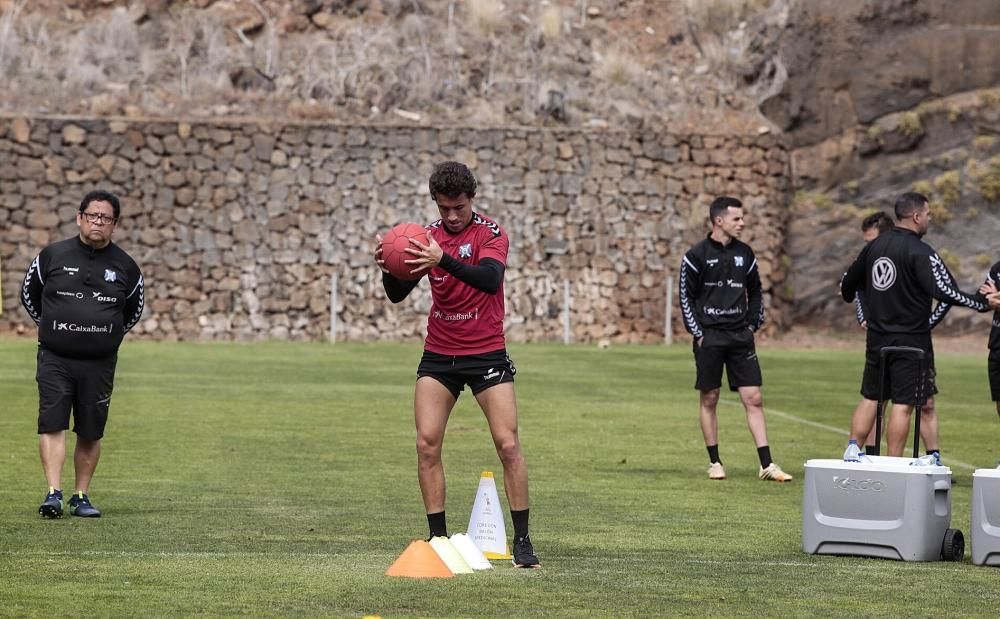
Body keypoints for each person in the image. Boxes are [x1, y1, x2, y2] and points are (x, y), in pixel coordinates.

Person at [373, 161, 539, 568]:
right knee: (426, 443)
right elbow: (398, 294)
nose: (451, 216)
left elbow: (489, 279)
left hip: (485, 352)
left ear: (472, 200)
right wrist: (388, 269)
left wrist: (441, 260)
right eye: (444, 208)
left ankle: (522, 542)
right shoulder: (424, 238)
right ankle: (438, 541)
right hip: (440, 353)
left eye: (459, 208)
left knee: (509, 444)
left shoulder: (490, 233)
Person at [20, 190, 145, 518]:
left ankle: (80, 496)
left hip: (99, 364)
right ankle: (53, 493)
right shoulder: (52, 256)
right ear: (79, 218)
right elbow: (30, 295)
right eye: (92, 215)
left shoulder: (126, 267)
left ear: (115, 224)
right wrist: (54, 329)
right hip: (55, 358)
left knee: (90, 429)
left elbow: (133, 310)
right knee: (52, 423)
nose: (98, 222)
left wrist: (104, 335)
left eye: (105, 218)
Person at [840, 192, 987, 457]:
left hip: (877, 338)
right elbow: (944, 290)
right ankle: (893, 463)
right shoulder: (921, 251)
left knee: (872, 397)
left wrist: (864, 311)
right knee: (904, 405)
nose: (929, 219)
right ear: (917, 217)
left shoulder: (874, 247)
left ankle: (852, 451)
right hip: (911, 341)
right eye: (928, 215)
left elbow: (847, 284)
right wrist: (979, 302)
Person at [679, 196, 793, 482]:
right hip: (710, 337)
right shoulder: (695, 255)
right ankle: (715, 462)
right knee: (710, 397)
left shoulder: (746, 253)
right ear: (719, 221)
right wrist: (699, 333)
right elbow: (686, 297)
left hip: (740, 336)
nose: (742, 223)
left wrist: (753, 324)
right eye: (737, 219)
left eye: (742, 218)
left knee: (753, 398)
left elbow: (756, 291)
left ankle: (767, 464)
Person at [846, 211, 948, 460]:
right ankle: (874, 457)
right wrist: (864, 316)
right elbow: (855, 287)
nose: (869, 247)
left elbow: (939, 296)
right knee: (882, 400)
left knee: (922, 402)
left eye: (872, 241)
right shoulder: (874, 255)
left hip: (911, 338)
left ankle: (932, 454)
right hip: (888, 338)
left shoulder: (905, 255)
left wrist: (927, 323)